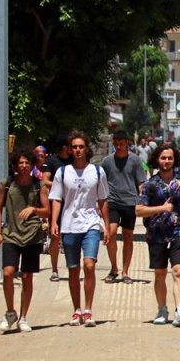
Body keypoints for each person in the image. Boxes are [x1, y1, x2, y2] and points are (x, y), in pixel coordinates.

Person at [49, 131, 110, 327]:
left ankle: (88, 309)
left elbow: (103, 200)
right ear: (69, 149)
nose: (77, 150)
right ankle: (76, 310)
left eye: (81, 146)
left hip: (91, 224)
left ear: (86, 148)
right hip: (69, 225)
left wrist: (106, 225)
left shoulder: (97, 172)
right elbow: (57, 199)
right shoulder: (62, 173)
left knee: (89, 265)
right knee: (73, 269)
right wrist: (53, 222)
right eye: (74, 147)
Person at [136, 145, 180, 327]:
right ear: (157, 160)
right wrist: (162, 208)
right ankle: (162, 309)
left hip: (178, 231)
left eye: (170, 158)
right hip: (156, 234)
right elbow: (139, 210)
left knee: (178, 271)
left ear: (175, 160)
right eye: (163, 158)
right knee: (160, 273)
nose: (166, 161)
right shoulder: (150, 184)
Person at [0, 150, 51, 333]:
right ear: (15, 165)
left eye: (27, 163)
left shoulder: (38, 186)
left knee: (27, 276)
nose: (24, 166)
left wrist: (33, 209)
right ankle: (11, 311)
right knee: (9, 273)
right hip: (11, 234)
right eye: (20, 163)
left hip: (32, 236)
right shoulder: (7, 184)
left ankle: (23, 317)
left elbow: (46, 211)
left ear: (33, 165)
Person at [100, 130, 146, 284]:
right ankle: (114, 268)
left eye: (121, 143)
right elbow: (100, 182)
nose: (119, 146)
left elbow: (141, 182)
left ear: (127, 142)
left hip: (130, 202)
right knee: (111, 234)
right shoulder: (107, 161)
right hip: (112, 201)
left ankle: (125, 271)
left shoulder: (135, 161)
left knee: (128, 236)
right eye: (116, 143)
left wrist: (142, 199)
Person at [44, 135, 74, 282]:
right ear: (64, 147)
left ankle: (72, 267)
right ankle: (54, 269)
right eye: (70, 146)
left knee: (72, 236)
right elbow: (45, 181)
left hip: (72, 203)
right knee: (55, 236)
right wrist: (60, 185)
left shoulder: (74, 161)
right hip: (56, 203)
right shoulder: (51, 162)